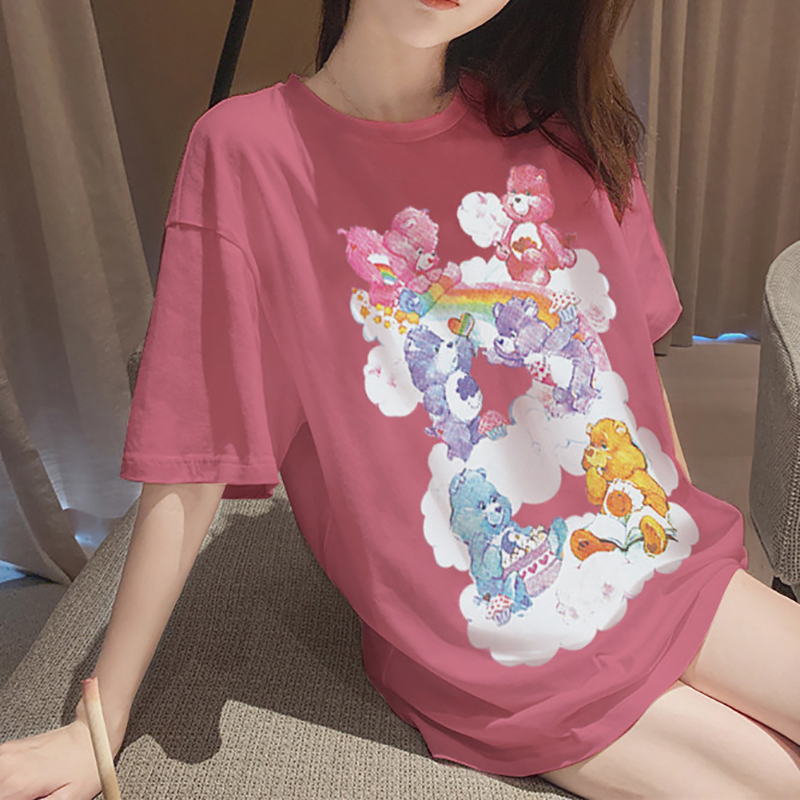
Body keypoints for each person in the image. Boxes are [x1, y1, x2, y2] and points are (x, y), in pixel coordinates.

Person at [2, 0, 800, 797]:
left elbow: (629, 370)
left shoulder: (555, 126)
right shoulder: (248, 154)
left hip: (653, 559)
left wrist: (681, 534)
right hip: (491, 642)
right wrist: (98, 721)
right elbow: (193, 454)